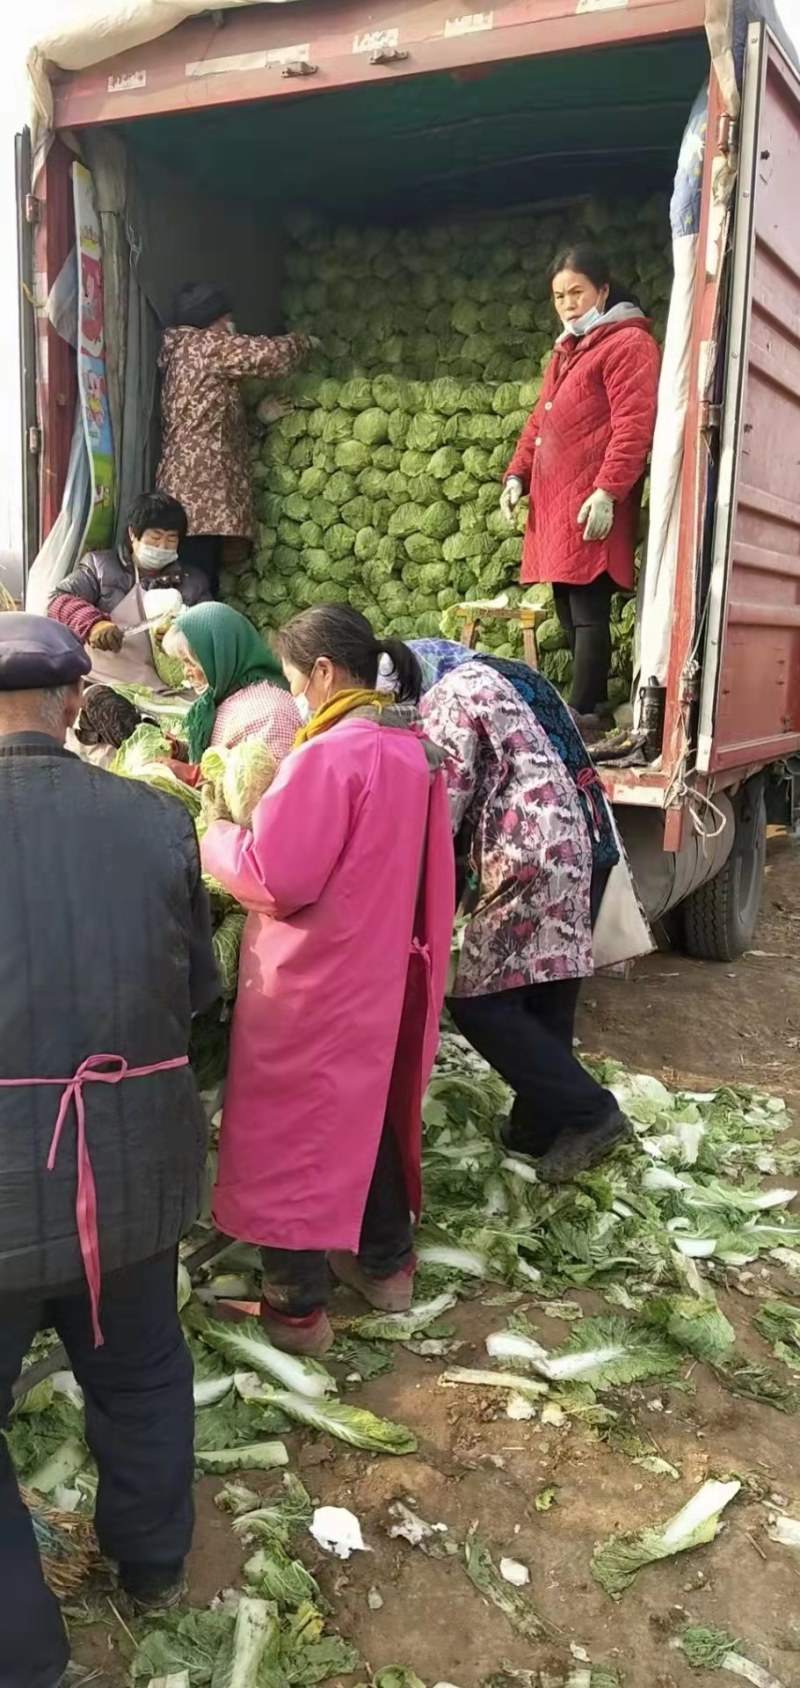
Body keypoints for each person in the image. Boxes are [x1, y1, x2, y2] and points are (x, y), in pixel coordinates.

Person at [0, 615, 219, 1688]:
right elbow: (197, 999)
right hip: (129, 1177)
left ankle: (24, 1654)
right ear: (77, 699)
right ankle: (155, 1566)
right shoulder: (153, 819)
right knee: (138, 1375)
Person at [201, 605, 455, 1356]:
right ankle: (386, 1268)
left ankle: (294, 1311)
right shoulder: (408, 747)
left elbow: (276, 878)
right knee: (361, 1117)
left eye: (293, 681)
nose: (295, 697)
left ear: (321, 672)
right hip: (374, 973)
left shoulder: (329, 757)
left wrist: (214, 834)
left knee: (295, 1136)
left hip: (311, 983)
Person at [414, 639, 631, 1182]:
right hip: (592, 841)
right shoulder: (514, 674)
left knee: (481, 1004)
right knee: (547, 995)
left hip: (532, 853)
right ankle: (537, 1127)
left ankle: (592, 1112)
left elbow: (444, 801)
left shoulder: (450, 693)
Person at [500, 243, 660, 716]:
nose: (568, 305)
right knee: (568, 608)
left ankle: (583, 708)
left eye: (577, 292)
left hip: (591, 498)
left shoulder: (628, 344)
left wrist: (608, 490)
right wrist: (517, 475)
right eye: (559, 296)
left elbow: (634, 425)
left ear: (603, 291)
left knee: (589, 611)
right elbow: (540, 421)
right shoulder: (567, 351)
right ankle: (590, 705)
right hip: (556, 502)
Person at [157, 282, 316, 596]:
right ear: (213, 320)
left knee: (201, 581)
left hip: (198, 495)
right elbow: (269, 356)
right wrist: (302, 342)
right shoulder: (203, 345)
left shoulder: (188, 354)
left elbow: (213, 429)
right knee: (196, 582)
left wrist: (256, 419)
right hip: (201, 496)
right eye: (227, 319)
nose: (231, 326)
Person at [48, 490, 210, 657]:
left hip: (162, 682)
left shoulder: (194, 582)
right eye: (155, 537)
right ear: (133, 534)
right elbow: (58, 600)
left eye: (171, 539)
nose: (162, 546)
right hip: (101, 676)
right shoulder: (99, 567)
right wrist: (94, 624)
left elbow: (211, 629)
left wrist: (183, 636)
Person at [163, 602, 301, 765]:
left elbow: (263, 782)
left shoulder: (270, 715)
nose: (185, 672)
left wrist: (191, 775)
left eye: (190, 663)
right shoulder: (222, 696)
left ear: (219, 657)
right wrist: (183, 752)